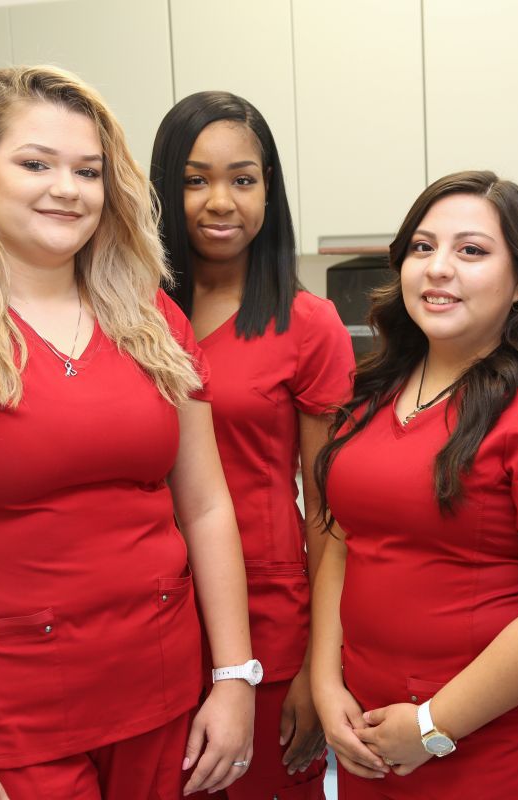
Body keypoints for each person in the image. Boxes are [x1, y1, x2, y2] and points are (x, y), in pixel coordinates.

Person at [0, 66, 258, 799]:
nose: (66, 188)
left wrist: (235, 677)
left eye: (88, 171)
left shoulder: (153, 322)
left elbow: (206, 507)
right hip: (10, 713)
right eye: (35, 163)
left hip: (162, 691)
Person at [310, 170, 518, 799]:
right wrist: (324, 683)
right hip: (375, 748)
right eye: (422, 248)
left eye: (471, 251)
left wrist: (431, 727)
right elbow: (343, 544)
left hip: (501, 757)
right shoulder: (373, 396)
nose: (438, 268)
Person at [150, 90, 353, 799]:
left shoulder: (307, 323)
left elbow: (329, 512)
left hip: (269, 615)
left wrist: (317, 669)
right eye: (195, 179)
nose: (220, 201)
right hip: (151, 611)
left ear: (270, 188)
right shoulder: (128, 317)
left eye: (243, 178)